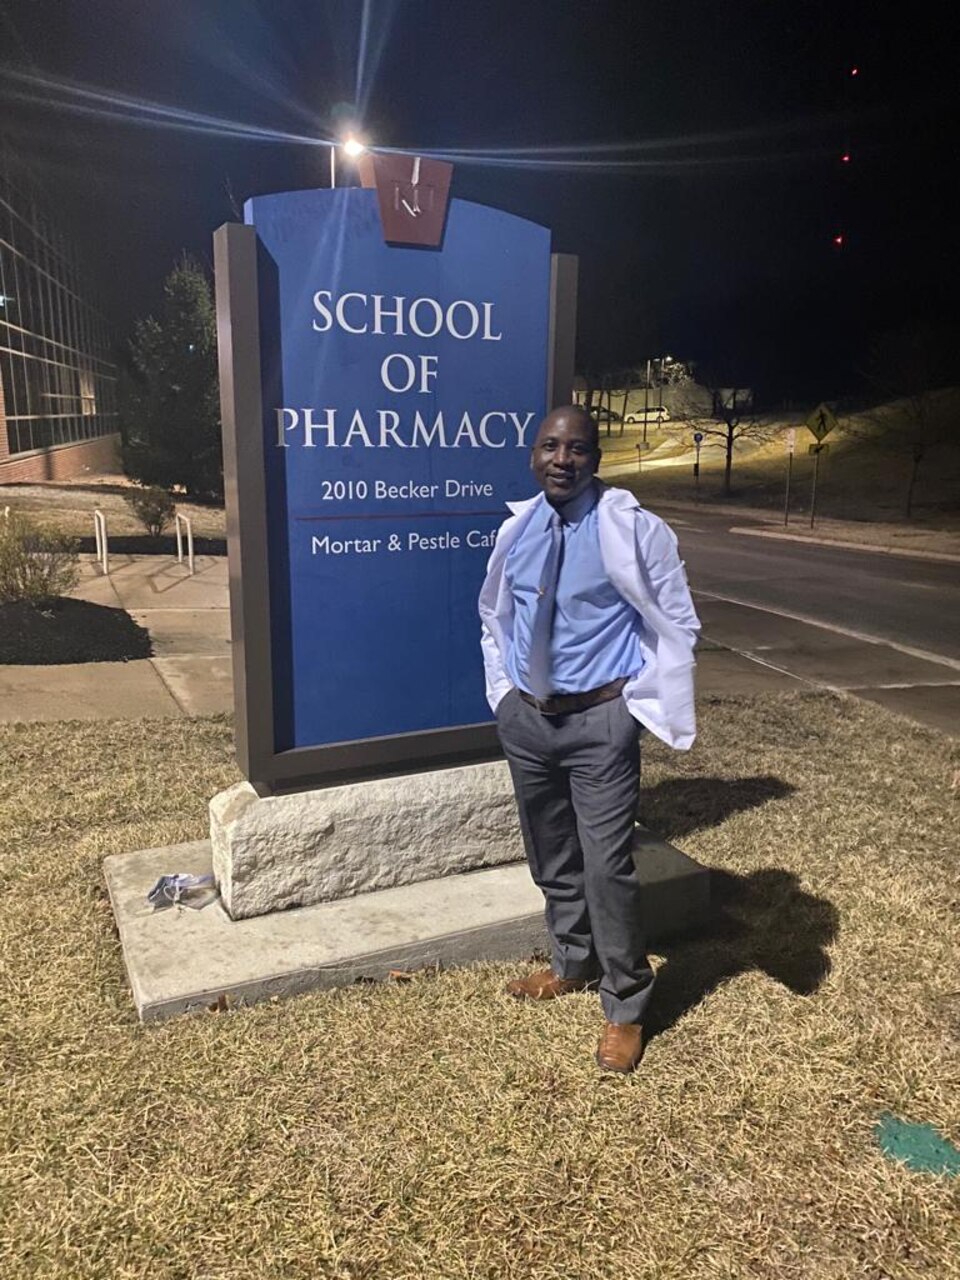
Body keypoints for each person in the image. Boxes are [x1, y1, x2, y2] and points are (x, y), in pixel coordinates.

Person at [478, 404, 700, 1073]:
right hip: (528, 721)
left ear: (596, 459)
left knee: (607, 866)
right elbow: (498, 614)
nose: (562, 459)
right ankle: (571, 963)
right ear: (532, 454)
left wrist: (631, 709)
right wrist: (504, 695)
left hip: (600, 722)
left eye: (578, 448)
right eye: (550, 445)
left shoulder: (635, 533)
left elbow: (677, 623)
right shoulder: (519, 528)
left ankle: (626, 1003)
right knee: (550, 855)